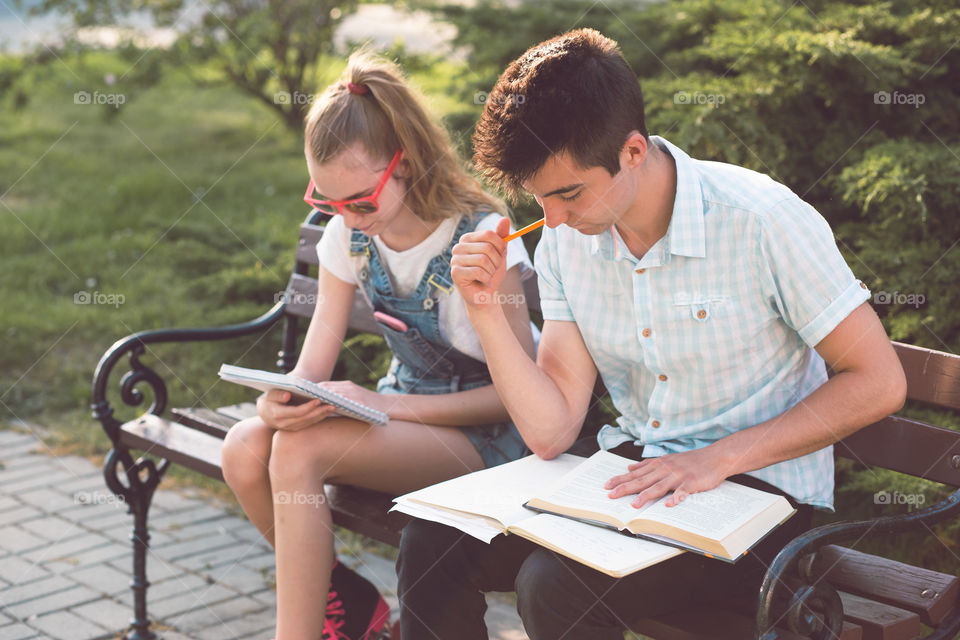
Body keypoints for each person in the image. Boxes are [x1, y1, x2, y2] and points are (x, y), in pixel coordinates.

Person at [396, 28, 907, 640]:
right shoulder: (568, 235)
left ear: (633, 152)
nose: (551, 220)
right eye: (537, 198)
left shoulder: (760, 220)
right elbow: (552, 430)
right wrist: (486, 310)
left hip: (767, 506)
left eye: (568, 193)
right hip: (636, 481)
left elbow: (878, 382)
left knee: (553, 586)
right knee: (429, 542)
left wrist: (718, 458)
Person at [220, 49, 537, 640]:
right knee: (244, 446)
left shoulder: (478, 238)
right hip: (403, 419)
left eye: (361, 201)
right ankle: (344, 597)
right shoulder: (349, 238)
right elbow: (312, 363)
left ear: (407, 160)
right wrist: (279, 402)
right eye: (328, 203)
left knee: (296, 454)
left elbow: (517, 399)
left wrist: (385, 405)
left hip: (492, 440)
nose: (348, 218)